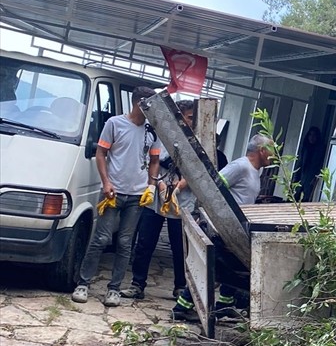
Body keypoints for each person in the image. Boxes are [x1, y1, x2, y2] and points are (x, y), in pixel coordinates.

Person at [72, 85, 160, 307]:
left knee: (125, 242)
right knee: (101, 238)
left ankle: (114, 288)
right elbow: (101, 152)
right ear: (138, 103)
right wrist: (106, 182)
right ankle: (83, 283)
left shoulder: (153, 130)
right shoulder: (115, 123)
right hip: (114, 191)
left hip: (137, 195)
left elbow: (155, 160)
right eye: (149, 105)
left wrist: (150, 186)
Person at [171, 133, 274, 323]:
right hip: (223, 229)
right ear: (262, 151)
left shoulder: (254, 171)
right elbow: (215, 188)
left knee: (234, 267)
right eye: (272, 151)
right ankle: (182, 307)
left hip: (236, 230)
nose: (274, 156)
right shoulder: (240, 166)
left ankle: (224, 306)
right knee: (215, 269)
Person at [121, 99, 195, 300]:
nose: (187, 121)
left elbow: (197, 170)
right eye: (184, 116)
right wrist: (160, 185)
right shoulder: (160, 134)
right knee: (145, 240)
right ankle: (137, 284)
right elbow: (149, 160)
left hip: (182, 199)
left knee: (179, 246)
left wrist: (177, 189)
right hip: (157, 193)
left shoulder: (196, 141)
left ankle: (180, 286)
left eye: (189, 117)